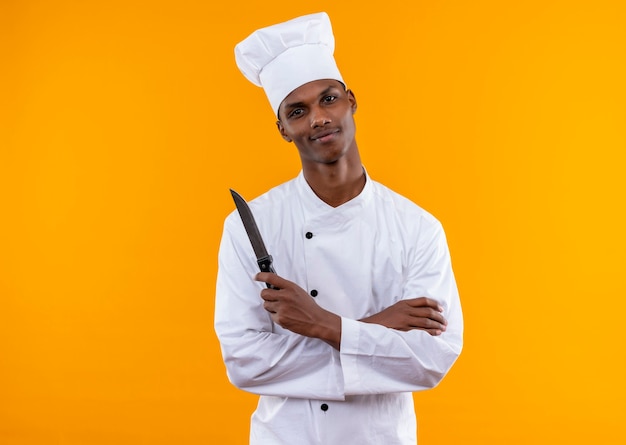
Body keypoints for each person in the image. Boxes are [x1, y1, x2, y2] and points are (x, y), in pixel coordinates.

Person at [214, 12, 463, 445]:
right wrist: (377, 329)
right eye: (298, 110)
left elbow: (431, 359)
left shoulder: (417, 227)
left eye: (328, 99)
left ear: (350, 100)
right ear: (283, 130)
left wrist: (325, 324)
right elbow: (245, 361)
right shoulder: (249, 225)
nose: (318, 119)